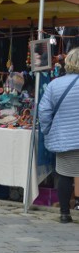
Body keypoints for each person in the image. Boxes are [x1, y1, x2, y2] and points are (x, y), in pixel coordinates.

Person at [39, 47, 79, 223]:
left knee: (64, 174)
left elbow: (44, 111)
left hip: (65, 138)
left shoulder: (55, 84)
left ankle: (64, 213)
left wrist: (48, 130)